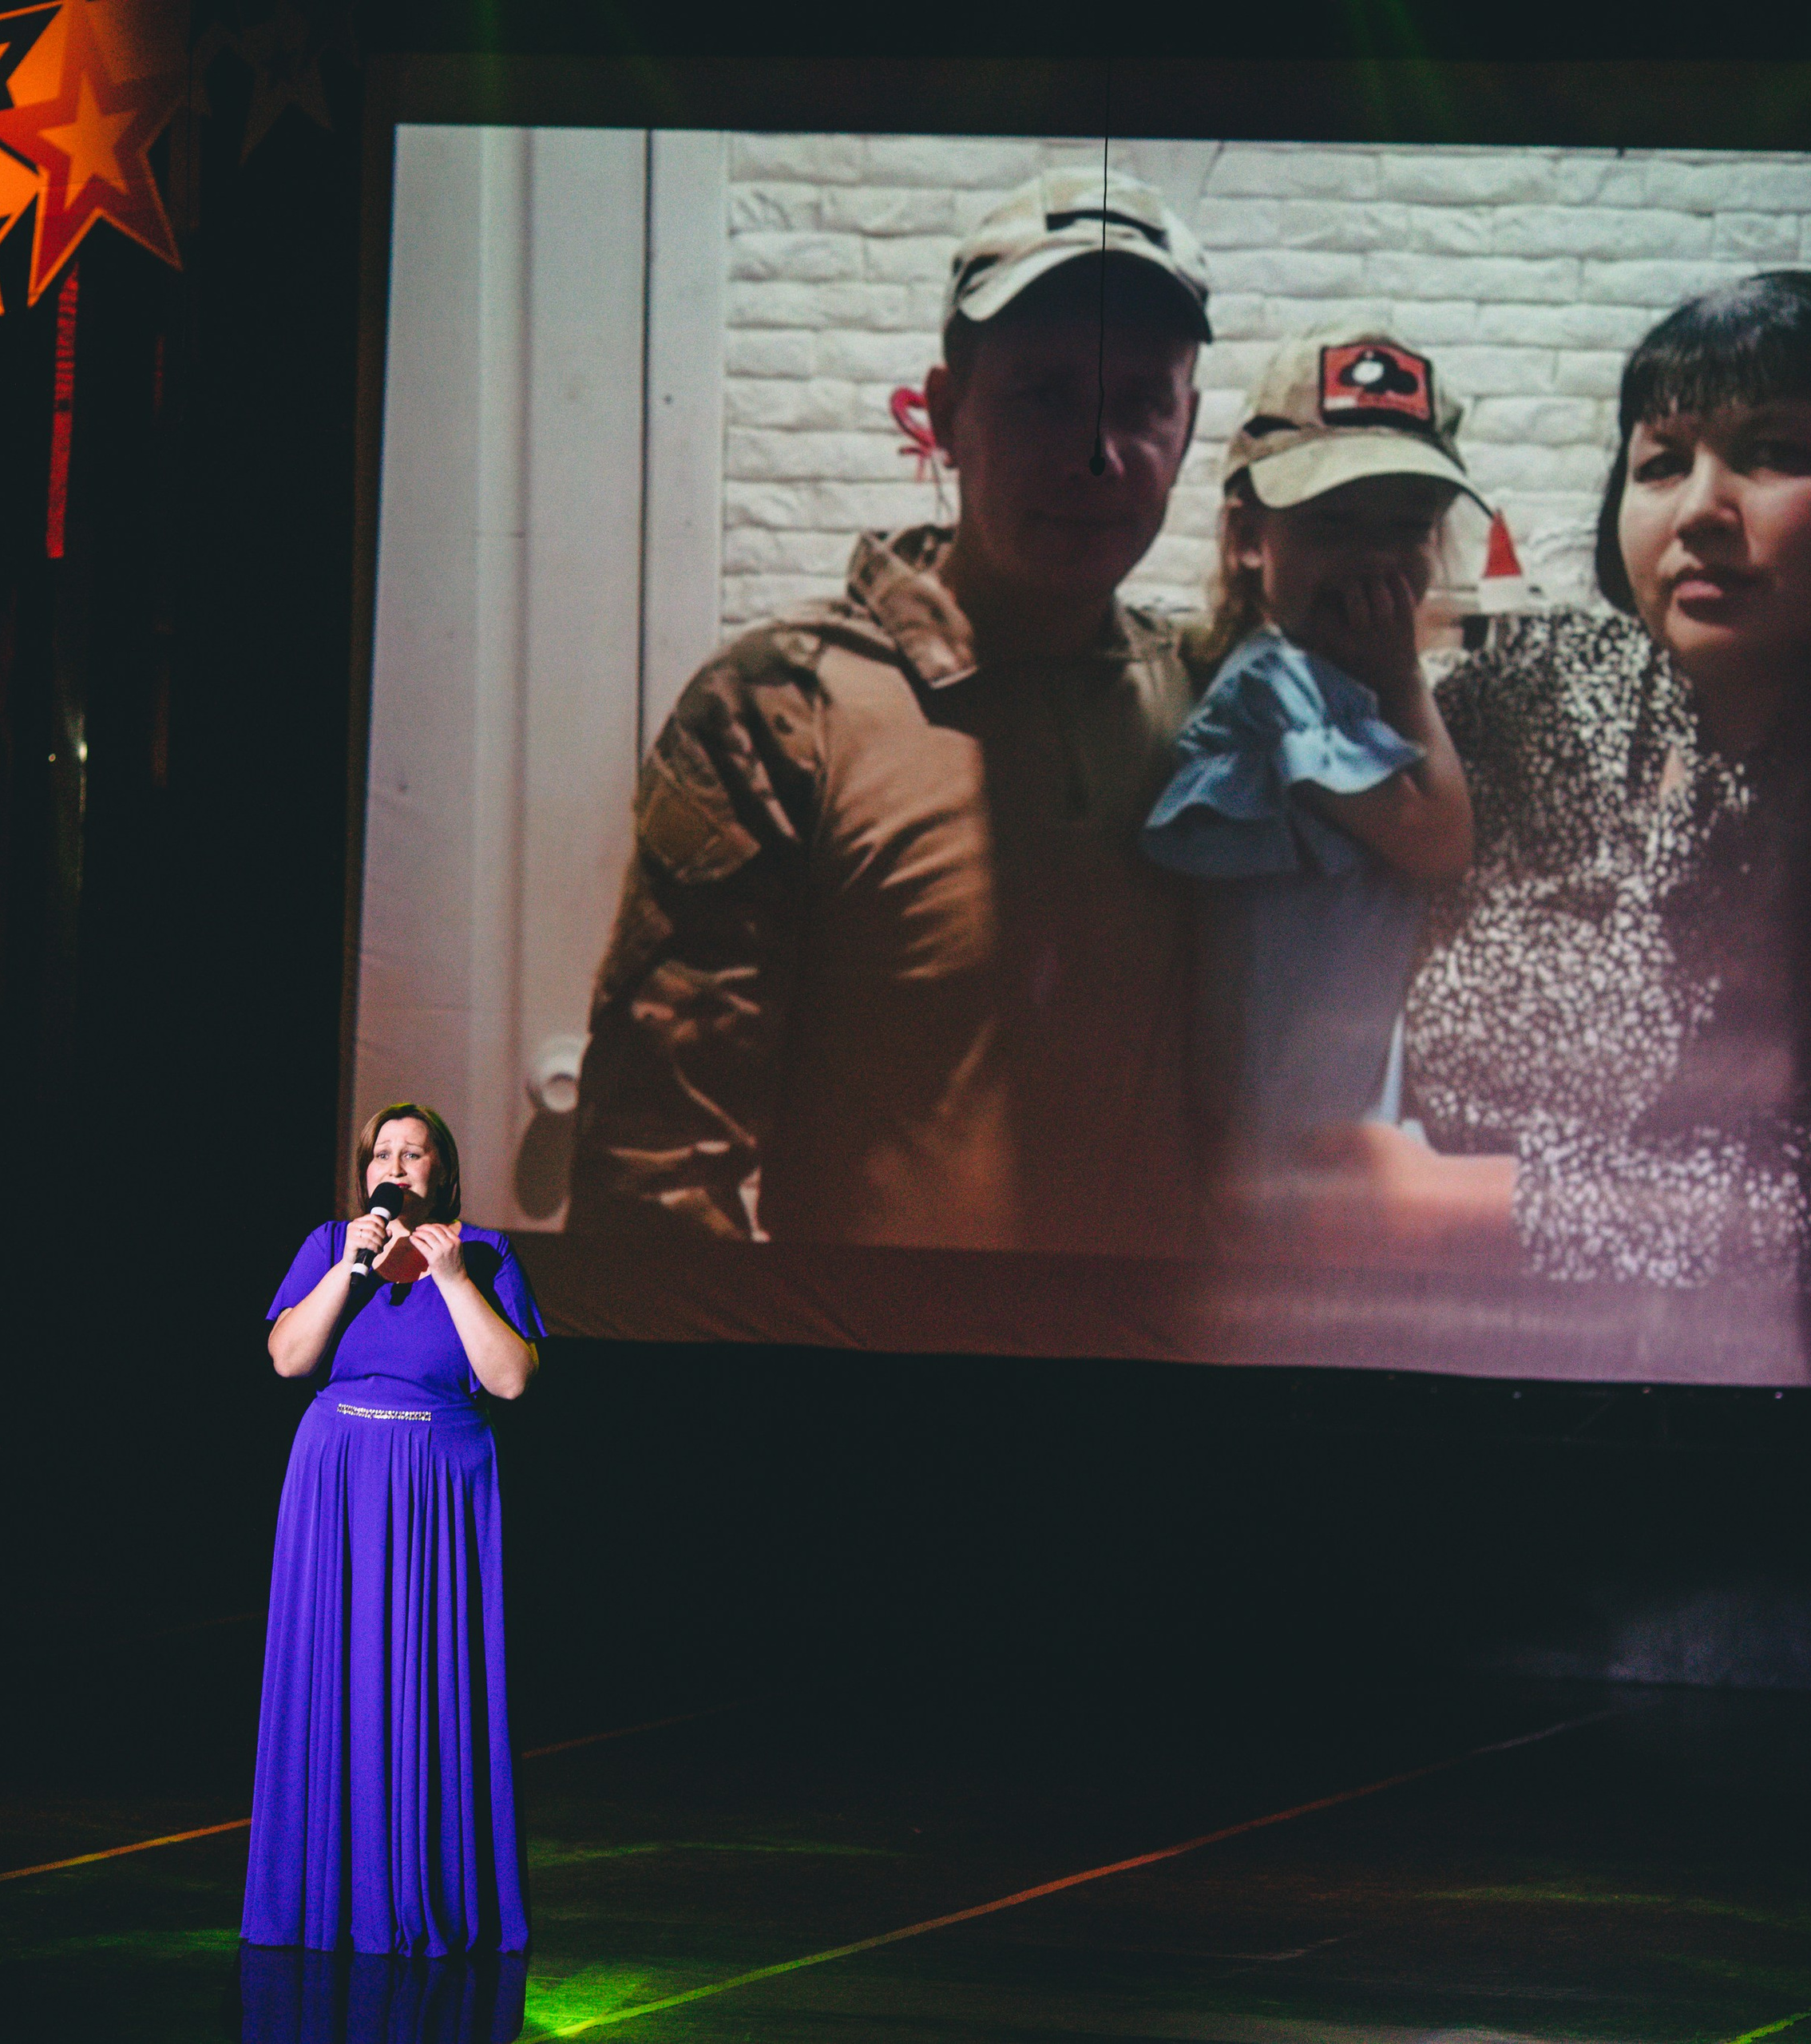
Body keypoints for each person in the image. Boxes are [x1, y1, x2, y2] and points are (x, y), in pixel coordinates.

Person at [568, 168, 1213, 1255]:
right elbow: (657, 1174)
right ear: (949, 415)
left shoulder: (1208, 700)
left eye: (1142, 403)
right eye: (1046, 395)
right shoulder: (783, 709)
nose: (1100, 454)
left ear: (1187, 430)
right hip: (881, 1406)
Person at [1341, 275, 1811, 1285]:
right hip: (1423, 1341)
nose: (1699, 511)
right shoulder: (1523, 699)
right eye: (1661, 463)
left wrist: (1469, 1204)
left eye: (1777, 453)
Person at [1143, 329, 1476, 1160]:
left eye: (1406, 528)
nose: (1373, 561)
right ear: (1250, 538)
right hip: (1277, 1107)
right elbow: (1437, 841)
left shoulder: (1343, 688)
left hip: (1348, 1094)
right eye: (1332, 525)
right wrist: (1403, 676)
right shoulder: (1273, 689)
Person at [243, 1102, 543, 1957]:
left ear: (442, 1171)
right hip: (336, 1475)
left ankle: (419, 1889)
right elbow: (289, 1358)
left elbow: (513, 1380)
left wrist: (452, 1280)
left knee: (426, 1675)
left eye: (416, 1153)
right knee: (330, 1670)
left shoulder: (483, 1252)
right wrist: (350, 1269)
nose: (399, 1164)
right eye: (385, 1151)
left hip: (438, 1484)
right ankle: (318, 1897)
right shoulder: (332, 1243)